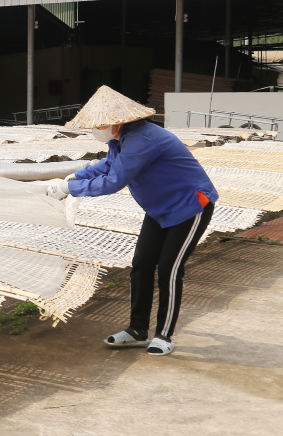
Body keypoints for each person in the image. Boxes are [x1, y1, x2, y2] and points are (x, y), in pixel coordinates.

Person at [48, 86, 218, 356]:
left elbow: (115, 180)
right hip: (160, 209)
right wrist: (76, 176)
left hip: (190, 206)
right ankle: (137, 330)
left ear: (118, 120)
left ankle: (164, 334)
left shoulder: (144, 138)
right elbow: (108, 166)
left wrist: (71, 189)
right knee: (141, 265)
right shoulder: (121, 138)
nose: (96, 129)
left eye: (99, 124)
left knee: (168, 269)